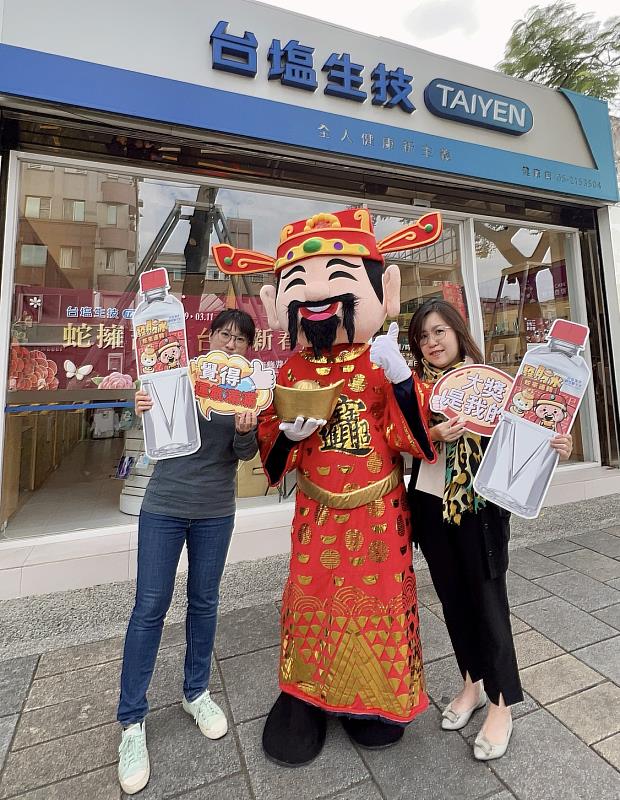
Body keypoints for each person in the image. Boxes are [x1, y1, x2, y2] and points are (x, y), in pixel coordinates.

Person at [212, 208, 441, 766]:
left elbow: (413, 438)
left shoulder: (380, 359)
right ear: (275, 305)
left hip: (378, 511)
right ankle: (304, 699)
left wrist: (405, 382)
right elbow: (272, 446)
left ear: (383, 290)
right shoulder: (291, 369)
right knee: (310, 600)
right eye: (298, 284)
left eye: (339, 277)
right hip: (317, 516)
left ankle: (372, 700)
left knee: (377, 604)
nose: (316, 297)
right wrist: (288, 435)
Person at [372, 298, 572, 761]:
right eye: (423, 337)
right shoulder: (413, 388)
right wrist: (432, 434)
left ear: (459, 333)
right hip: (427, 506)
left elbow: (527, 436)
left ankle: (502, 704)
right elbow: (394, 439)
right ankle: (472, 684)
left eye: (439, 331)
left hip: (479, 510)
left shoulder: (493, 385)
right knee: (453, 602)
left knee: (488, 604)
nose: (431, 342)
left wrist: (553, 444)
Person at [117, 309, 259, 795]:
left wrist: (245, 429)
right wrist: (140, 402)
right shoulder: (176, 376)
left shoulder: (246, 390)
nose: (232, 343)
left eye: (242, 339)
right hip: (164, 507)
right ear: (210, 336)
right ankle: (131, 721)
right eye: (226, 334)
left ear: (249, 347)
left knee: (204, 602)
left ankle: (196, 691)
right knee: (149, 607)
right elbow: (151, 430)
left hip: (216, 511)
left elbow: (245, 457)